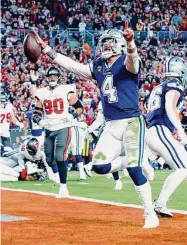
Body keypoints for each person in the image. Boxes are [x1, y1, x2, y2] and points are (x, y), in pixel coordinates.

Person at [33, 22, 159, 228]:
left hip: (131, 122)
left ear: (118, 43)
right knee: (99, 167)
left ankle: (150, 213)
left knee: (135, 170)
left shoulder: (126, 62)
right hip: (111, 125)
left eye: (110, 42)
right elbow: (72, 66)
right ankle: (131, 159)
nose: (106, 46)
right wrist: (47, 49)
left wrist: (130, 42)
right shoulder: (98, 65)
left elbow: (133, 62)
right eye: (105, 42)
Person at [33, 66, 84, 198]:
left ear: (59, 77)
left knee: (59, 157)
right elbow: (36, 114)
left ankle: (63, 187)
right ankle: (57, 177)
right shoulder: (41, 92)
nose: (52, 78)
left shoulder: (66, 90)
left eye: (55, 76)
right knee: (49, 159)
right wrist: (39, 121)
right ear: (46, 78)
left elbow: (79, 107)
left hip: (63, 127)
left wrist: (72, 116)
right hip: (49, 129)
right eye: (50, 76)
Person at [146, 56, 187, 217]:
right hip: (159, 130)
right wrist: (180, 130)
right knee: (183, 167)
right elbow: (170, 108)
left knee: (183, 166)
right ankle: (159, 204)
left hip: (153, 131)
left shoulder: (160, 86)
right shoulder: (174, 84)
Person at [68, 113, 88, 180]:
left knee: (76, 153)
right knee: (64, 153)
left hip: (74, 129)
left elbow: (84, 124)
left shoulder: (75, 109)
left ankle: (82, 174)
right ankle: (63, 174)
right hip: (66, 129)